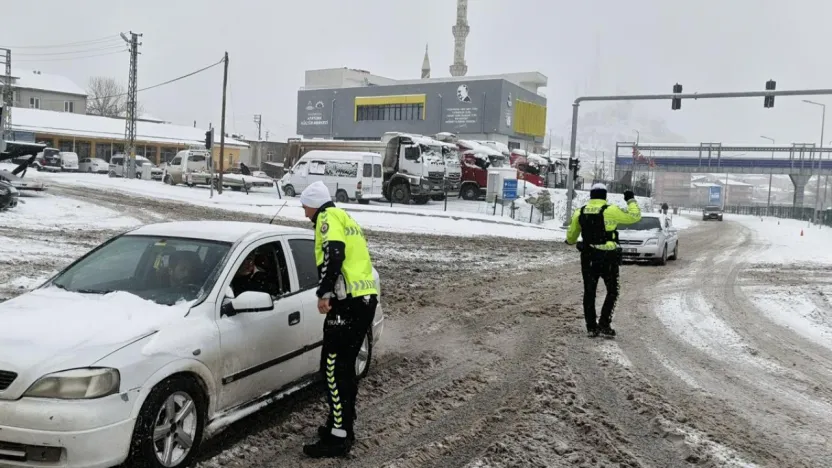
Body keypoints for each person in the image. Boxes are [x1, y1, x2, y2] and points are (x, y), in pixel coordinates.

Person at [299, 180, 378, 458]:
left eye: (304, 205)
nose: (303, 212)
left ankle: (338, 437)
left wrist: (325, 292)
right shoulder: (345, 216)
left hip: (349, 302)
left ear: (314, 203)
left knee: (332, 367)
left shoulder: (327, 217)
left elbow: (335, 254)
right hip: (364, 299)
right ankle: (341, 426)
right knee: (343, 367)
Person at [565, 183, 641, 338]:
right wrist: (630, 200)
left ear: (591, 196)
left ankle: (591, 327)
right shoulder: (611, 210)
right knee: (612, 290)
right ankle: (604, 324)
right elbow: (635, 217)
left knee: (589, 292)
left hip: (588, 257)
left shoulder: (580, 211)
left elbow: (571, 237)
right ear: (605, 196)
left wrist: (571, 240)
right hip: (608, 257)